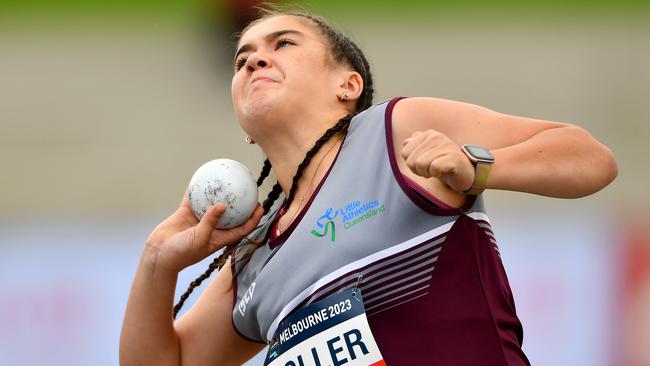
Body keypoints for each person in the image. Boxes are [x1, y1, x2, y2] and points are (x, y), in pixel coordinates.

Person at [119, 6, 618, 366]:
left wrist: (475, 168)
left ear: (348, 85)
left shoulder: (392, 132)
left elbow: (589, 158)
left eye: (283, 44)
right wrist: (157, 263)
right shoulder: (254, 251)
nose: (252, 61)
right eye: (241, 59)